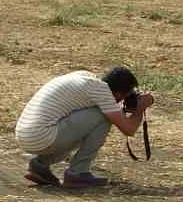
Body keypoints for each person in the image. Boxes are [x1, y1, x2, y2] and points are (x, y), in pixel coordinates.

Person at [13, 65, 152, 188]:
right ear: (118, 93)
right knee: (103, 117)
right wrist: (140, 108)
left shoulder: (84, 77)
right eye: (124, 97)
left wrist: (122, 106)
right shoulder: (102, 91)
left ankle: (40, 165)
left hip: (26, 134)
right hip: (42, 136)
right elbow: (129, 129)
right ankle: (78, 172)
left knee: (92, 122)